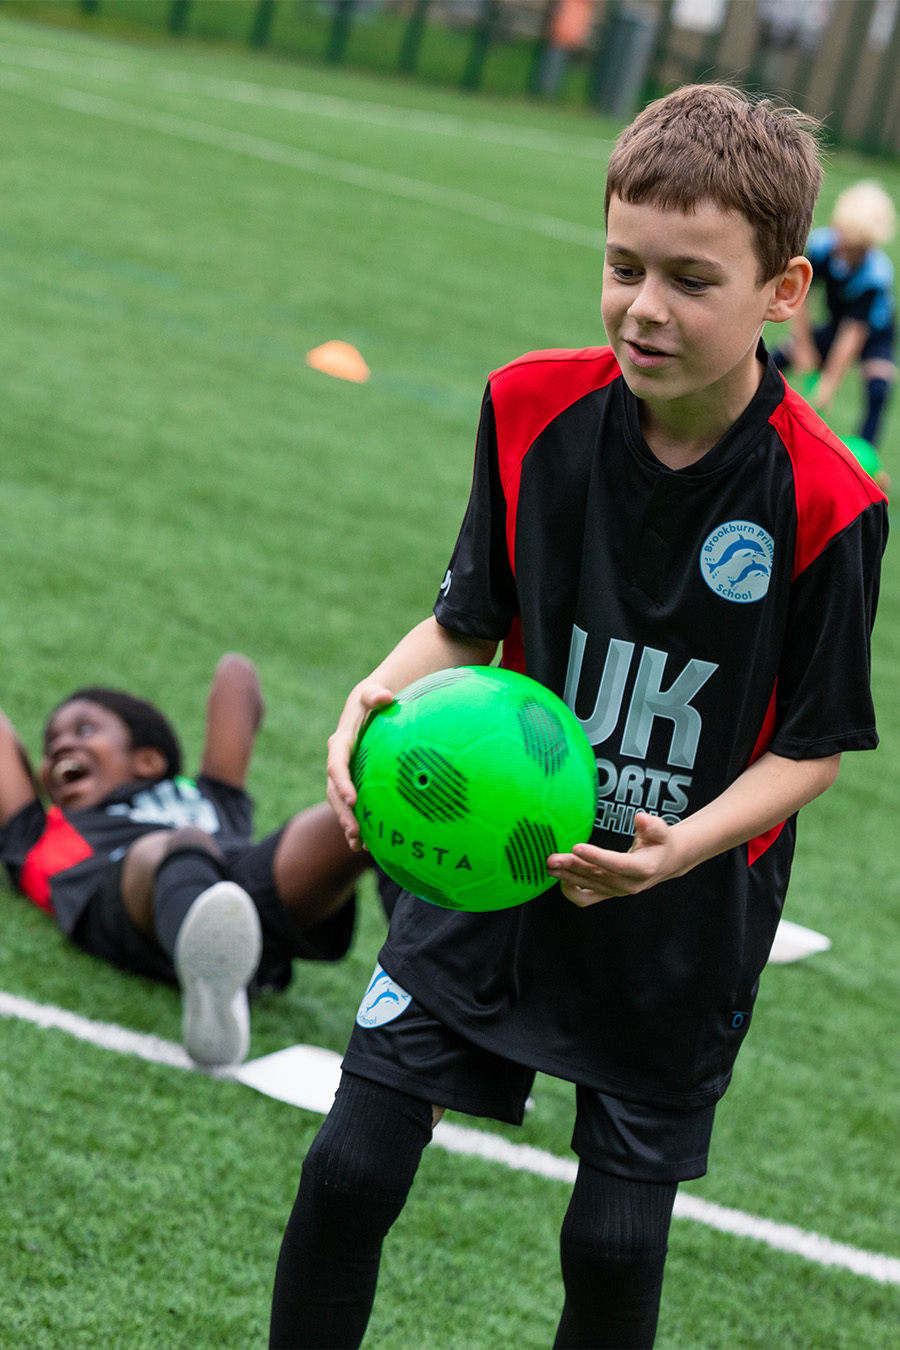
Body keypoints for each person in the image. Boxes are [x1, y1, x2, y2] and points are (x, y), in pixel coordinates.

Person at [269, 84, 888, 1350]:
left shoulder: (829, 499)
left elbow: (810, 749)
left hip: (678, 904)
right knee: (351, 1167)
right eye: (622, 266)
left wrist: (677, 847)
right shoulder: (529, 408)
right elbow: (465, 620)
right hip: (489, 861)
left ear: (783, 291)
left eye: (689, 280)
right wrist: (376, 700)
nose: (644, 306)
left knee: (612, 1247)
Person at [0, 653, 373, 1068]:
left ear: (148, 761)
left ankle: (425, 973)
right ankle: (210, 981)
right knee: (178, 843)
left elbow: (238, 678)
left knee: (370, 807)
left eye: (84, 730)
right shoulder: (40, 832)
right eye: (50, 747)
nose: (60, 746)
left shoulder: (209, 797)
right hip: (127, 907)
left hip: (239, 904)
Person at [772, 179, 897, 472]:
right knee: (777, 359)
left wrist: (829, 382)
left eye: (857, 247)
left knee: (879, 389)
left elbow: (852, 335)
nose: (847, 250)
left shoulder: (876, 275)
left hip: (874, 333)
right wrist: (803, 347)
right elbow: (801, 299)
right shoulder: (821, 246)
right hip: (834, 325)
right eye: (844, 239)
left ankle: (865, 466)